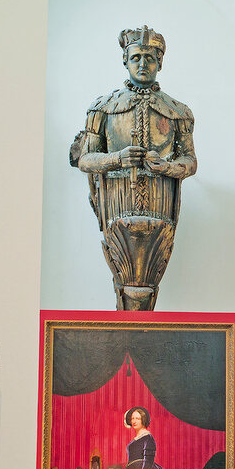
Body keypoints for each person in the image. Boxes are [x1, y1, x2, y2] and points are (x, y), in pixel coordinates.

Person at [70, 25, 198, 311]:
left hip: (159, 202)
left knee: (150, 276)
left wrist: (166, 166)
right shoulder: (102, 108)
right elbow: (86, 160)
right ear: (125, 60)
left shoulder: (178, 111)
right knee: (124, 273)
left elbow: (190, 161)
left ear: (160, 63)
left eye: (150, 58)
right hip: (118, 202)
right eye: (137, 57)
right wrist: (117, 158)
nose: (143, 64)